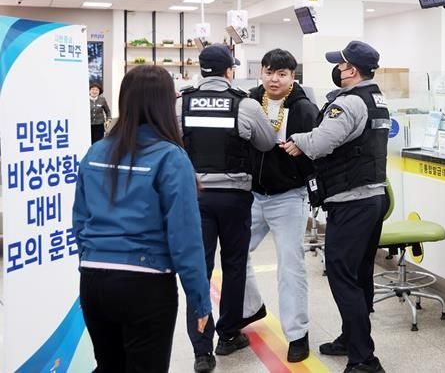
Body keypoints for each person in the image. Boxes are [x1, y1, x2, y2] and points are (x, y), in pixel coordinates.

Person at [72, 65, 211, 373]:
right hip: (145, 282)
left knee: (109, 366)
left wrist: (92, 261)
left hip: (94, 280)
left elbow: (80, 220)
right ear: (165, 104)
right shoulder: (171, 157)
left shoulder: (96, 152)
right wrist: (199, 300)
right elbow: (185, 237)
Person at [282, 40, 390, 373]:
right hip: (372, 198)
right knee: (360, 274)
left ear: (351, 70)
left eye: (340, 65)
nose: (337, 70)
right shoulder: (377, 99)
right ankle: (351, 338)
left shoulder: (348, 103)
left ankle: (363, 359)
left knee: (342, 276)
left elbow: (319, 142)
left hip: (352, 200)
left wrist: (297, 140)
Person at [177, 44, 276, 373]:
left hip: (196, 198)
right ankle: (229, 335)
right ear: (229, 71)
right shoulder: (245, 104)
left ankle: (202, 351)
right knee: (234, 266)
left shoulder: (182, 103)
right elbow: (267, 143)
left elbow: (169, 142)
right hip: (234, 198)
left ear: (200, 70)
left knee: (199, 271)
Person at [240, 48, 319, 363]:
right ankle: (250, 308)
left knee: (290, 265)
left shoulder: (304, 108)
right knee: (235, 253)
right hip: (253, 196)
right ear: (261, 72)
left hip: (289, 196)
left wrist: (302, 150)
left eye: (282, 74)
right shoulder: (249, 101)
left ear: (292, 77)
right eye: (269, 72)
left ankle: (297, 334)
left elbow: (319, 148)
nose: (274, 79)